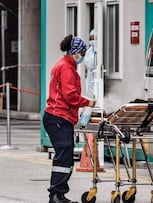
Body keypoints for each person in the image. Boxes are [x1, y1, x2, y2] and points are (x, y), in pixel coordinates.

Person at [43, 34, 96, 203]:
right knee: (64, 155)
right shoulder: (66, 68)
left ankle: (58, 193)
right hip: (58, 117)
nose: (83, 55)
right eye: (82, 52)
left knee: (64, 155)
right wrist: (88, 102)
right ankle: (56, 194)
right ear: (75, 52)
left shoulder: (66, 65)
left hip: (58, 117)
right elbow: (70, 96)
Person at [84, 29, 96, 98]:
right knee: (89, 94)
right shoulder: (89, 51)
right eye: (90, 38)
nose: (91, 40)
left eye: (93, 38)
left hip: (97, 75)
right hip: (90, 76)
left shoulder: (100, 51)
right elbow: (87, 65)